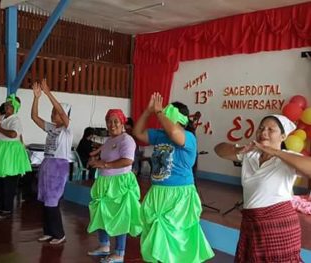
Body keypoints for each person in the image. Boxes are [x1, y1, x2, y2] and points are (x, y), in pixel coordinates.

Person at [214, 114, 311, 262]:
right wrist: (239, 149)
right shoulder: (250, 155)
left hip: (278, 226)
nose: (263, 132)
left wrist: (277, 152)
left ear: (283, 137)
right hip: (251, 223)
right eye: (261, 128)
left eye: (271, 129)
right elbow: (219, 149)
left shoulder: (287, 157)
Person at [133, 92, 214, 263]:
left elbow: (174, 133)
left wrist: (159, 113)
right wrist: (148, 112)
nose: (161, 112)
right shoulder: (159, 134)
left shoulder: (189, 137)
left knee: (175, 240)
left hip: (179, 196)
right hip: (157, 193)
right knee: (156, 239)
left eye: (166, 111)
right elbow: (138, 133)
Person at [87, 109, 142, 263]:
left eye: (115, 121)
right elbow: (104, 158)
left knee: (120, 216)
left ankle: (119, 252)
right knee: (102, 213)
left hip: (119, 183)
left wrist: (104, 164)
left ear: (122, 122)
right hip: (105, 182)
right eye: (109, 121)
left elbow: (127, 160)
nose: (112, 125)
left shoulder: (127, 140)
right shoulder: (109, 141)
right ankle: (104, 245)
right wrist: (95, 161)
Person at [31, 79, 73, 245]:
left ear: (64, 115)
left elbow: (62, 113)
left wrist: (48, 93)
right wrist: (36, 98)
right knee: (45, 199)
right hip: (47, 164)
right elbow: (34, 117)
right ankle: (48, 231)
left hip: (59, 166)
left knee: (52, 200)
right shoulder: (51, 127)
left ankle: (59, 234)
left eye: (55, 112)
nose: (53, 114)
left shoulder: (67, 129)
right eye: (52, 112)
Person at [0, 95, 31, 219]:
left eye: (10, 105)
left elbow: (13, 134)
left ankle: (7, 210)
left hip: (9, 154)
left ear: (15, 108)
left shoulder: (15, 120)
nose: (7, 106)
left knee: (8, 183)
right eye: (7, 104)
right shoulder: (1, 118)